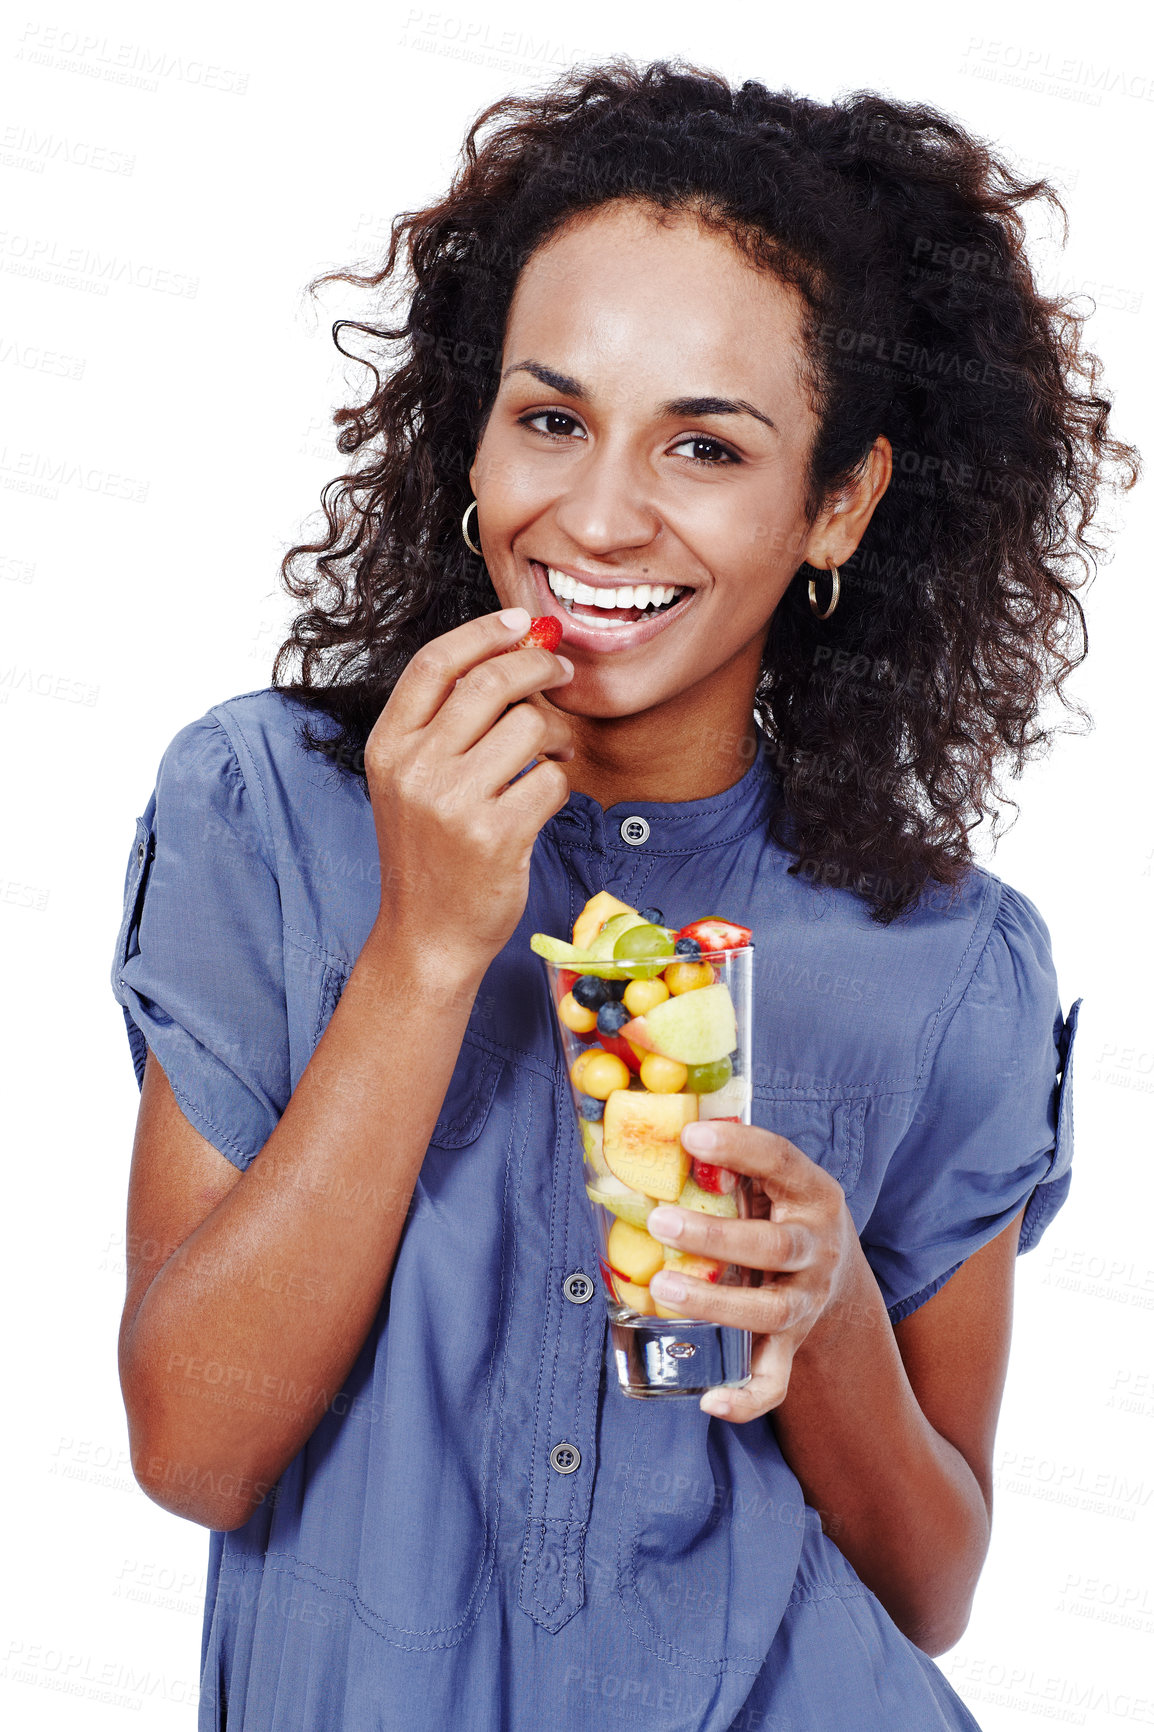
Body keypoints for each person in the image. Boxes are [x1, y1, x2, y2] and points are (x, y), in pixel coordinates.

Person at [111, 61, 1137, 1732]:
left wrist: (834, 1311)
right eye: (551, 416)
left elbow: (929, 1591)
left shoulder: (946, 964)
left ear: (837, 503)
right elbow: (195, 1451)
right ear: (474, 423)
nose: (592, 513)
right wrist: (428, 948)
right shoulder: (273, 808)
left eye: (706, 446)